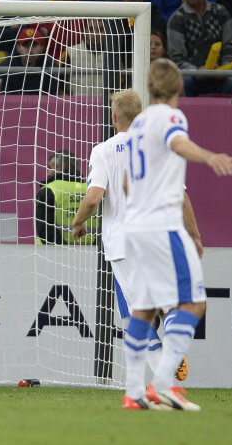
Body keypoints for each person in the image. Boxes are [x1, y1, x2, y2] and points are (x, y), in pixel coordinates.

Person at [116, 58, 232, 411]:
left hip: (134, 228)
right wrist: (208, 156)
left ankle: (133, 391)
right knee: (194, 302)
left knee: (145, 309)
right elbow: (178, 142)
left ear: (149, 89)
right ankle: (163, 384)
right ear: (180, 87)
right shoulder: (172, 117)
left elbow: (126, 181)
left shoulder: (136, 125)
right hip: (162, 225)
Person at [70, 88, 199, 382]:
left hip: (123, 245)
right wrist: (195, 236)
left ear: (114, 118)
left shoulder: (103, 150)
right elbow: (181, 197)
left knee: (132, 316)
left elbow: (93, 198)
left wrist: (78, 223)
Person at [167, 0, 232, 96]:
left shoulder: (221, 12)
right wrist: (197, 71)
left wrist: (223, 69)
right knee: (183, 83)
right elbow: (177, 58)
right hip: (191, 76)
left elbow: (230, 46)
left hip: (220, 73)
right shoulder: (176, 18)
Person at [34, 150, 86, 245]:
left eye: (50, 168)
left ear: (61, 167)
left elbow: (45, 230)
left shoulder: (49, 190)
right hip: (91, 253)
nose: (47, 173)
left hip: (55, 255)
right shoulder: (91, 190)